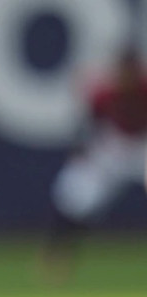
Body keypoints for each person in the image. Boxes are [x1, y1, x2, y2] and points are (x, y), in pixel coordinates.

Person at [43, 44, 147, 282]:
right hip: (115, 144)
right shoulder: (104, 91)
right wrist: (81, 152)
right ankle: (58, 256)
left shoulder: (144, 87)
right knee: (78, 191)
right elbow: (88, 125)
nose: (126, 76)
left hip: (144, 142)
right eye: (122, 70)